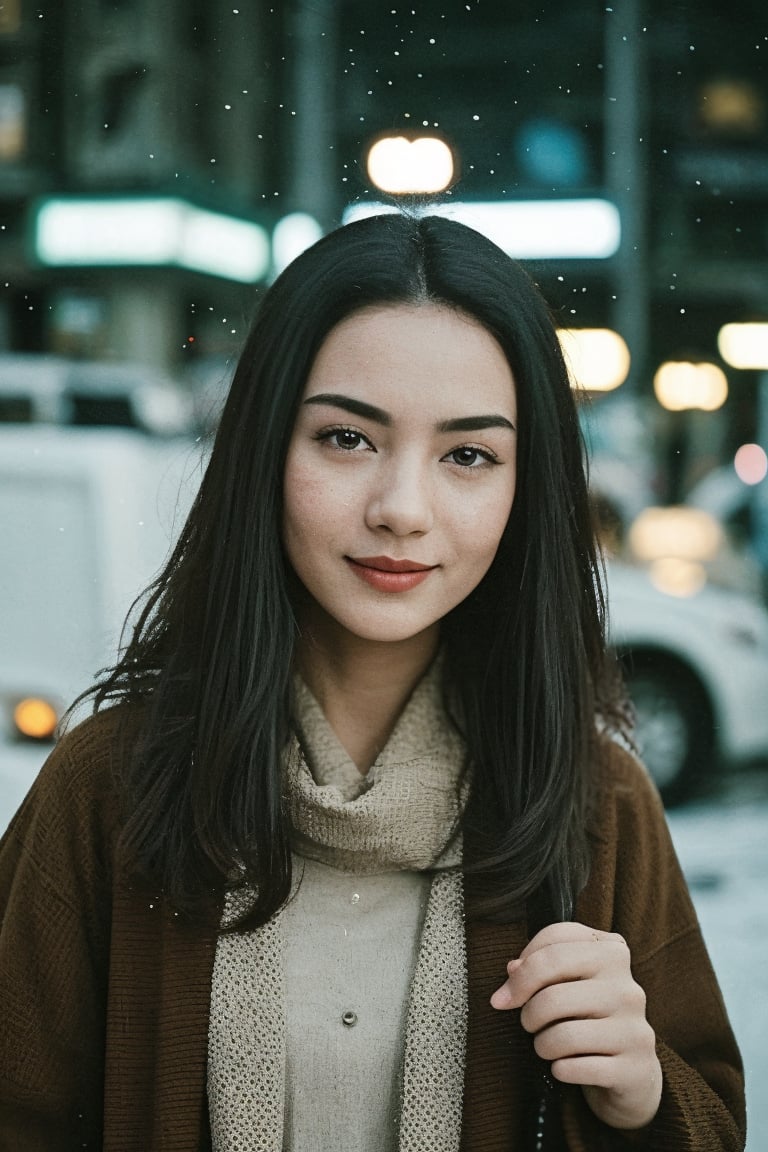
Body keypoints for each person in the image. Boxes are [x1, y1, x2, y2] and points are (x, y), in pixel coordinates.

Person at [0, 212, 745, 1151]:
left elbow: (712, 1123)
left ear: (527, 491)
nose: (401, 508)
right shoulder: (109, 786)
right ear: (266, 451)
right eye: (347, 439)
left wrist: (639, 1095)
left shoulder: (594, 805)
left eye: (468, 455)